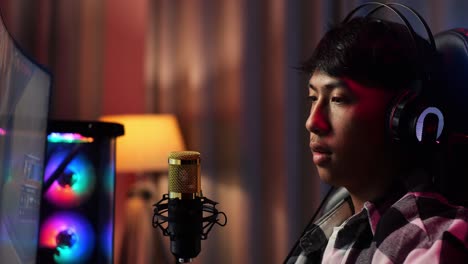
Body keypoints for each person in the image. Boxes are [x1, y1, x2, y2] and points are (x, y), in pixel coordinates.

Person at [285, 13, 468, 264]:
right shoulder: (330, 231)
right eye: (313, 98)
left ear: (402, 117)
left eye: (337, 99)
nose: (312, 122)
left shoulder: (429, 245)